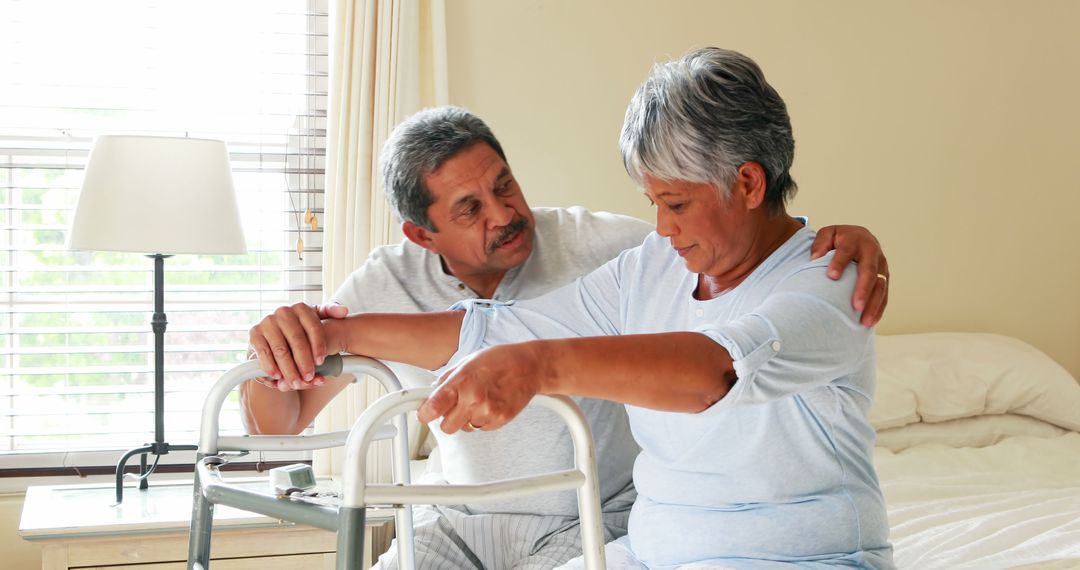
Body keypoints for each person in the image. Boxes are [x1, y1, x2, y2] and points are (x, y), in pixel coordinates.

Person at [246, 100, 892, 568]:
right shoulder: (653, 262)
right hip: (481, 525)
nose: (503, 214)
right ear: (422, 233)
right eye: (470, 207)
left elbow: (720, 359)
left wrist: (828, 240)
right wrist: (322, 335)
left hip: (587, 519)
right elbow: (499, 331)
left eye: (505, 185)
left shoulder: (620, 247)